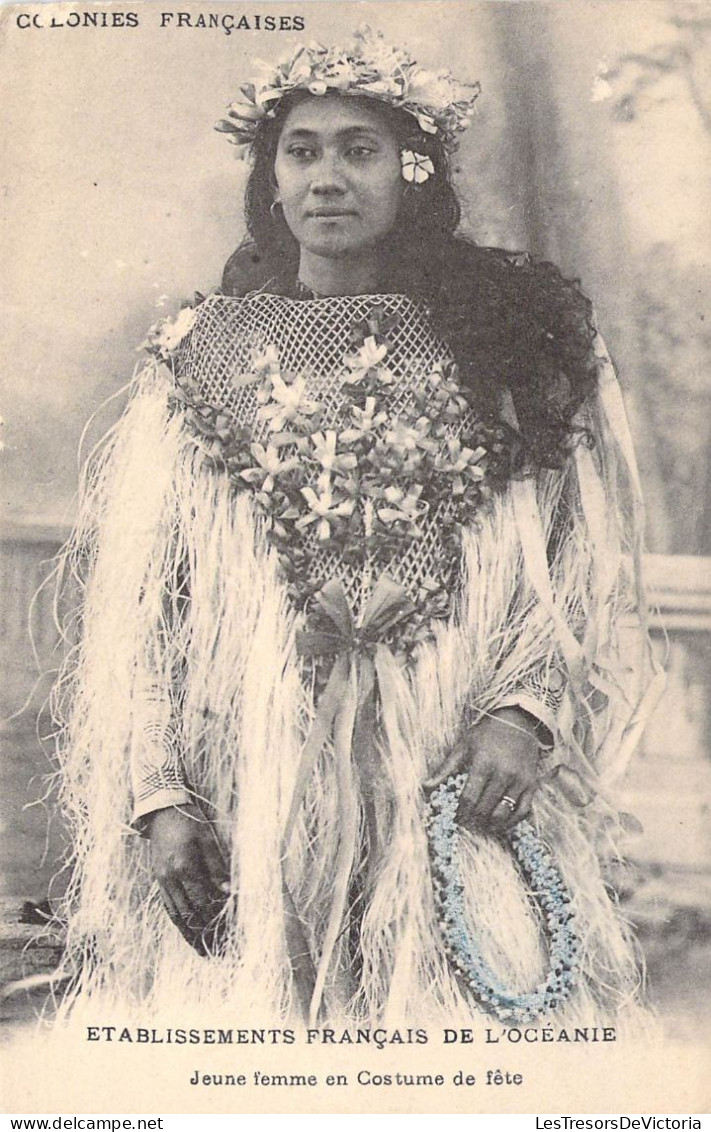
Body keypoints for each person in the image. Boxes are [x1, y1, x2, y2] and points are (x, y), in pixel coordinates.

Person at [53, 27, 659, 1029]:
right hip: (247, 771)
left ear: (412, 173)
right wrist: (159, 796)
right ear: (272, 180)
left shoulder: (512, 356)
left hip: (451, 767)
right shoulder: (197, 358)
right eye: (302, 150)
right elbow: (148, 606)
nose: (327, 176)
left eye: (359, 149)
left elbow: (571, 559)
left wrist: (526, 709)